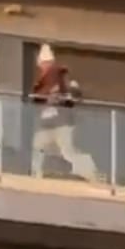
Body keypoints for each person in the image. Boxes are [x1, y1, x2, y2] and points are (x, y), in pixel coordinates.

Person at [30, 43, 99, 183]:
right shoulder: (42, 82)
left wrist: (65, 95)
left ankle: (90, 170)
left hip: (61, 122)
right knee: (39, 146)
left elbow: (71, 95)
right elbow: (37, 99)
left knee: (66, 151)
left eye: (46, 63)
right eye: (43, 64)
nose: (44, 67)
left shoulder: (59, 76)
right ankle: (35, 174)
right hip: (48, 123)